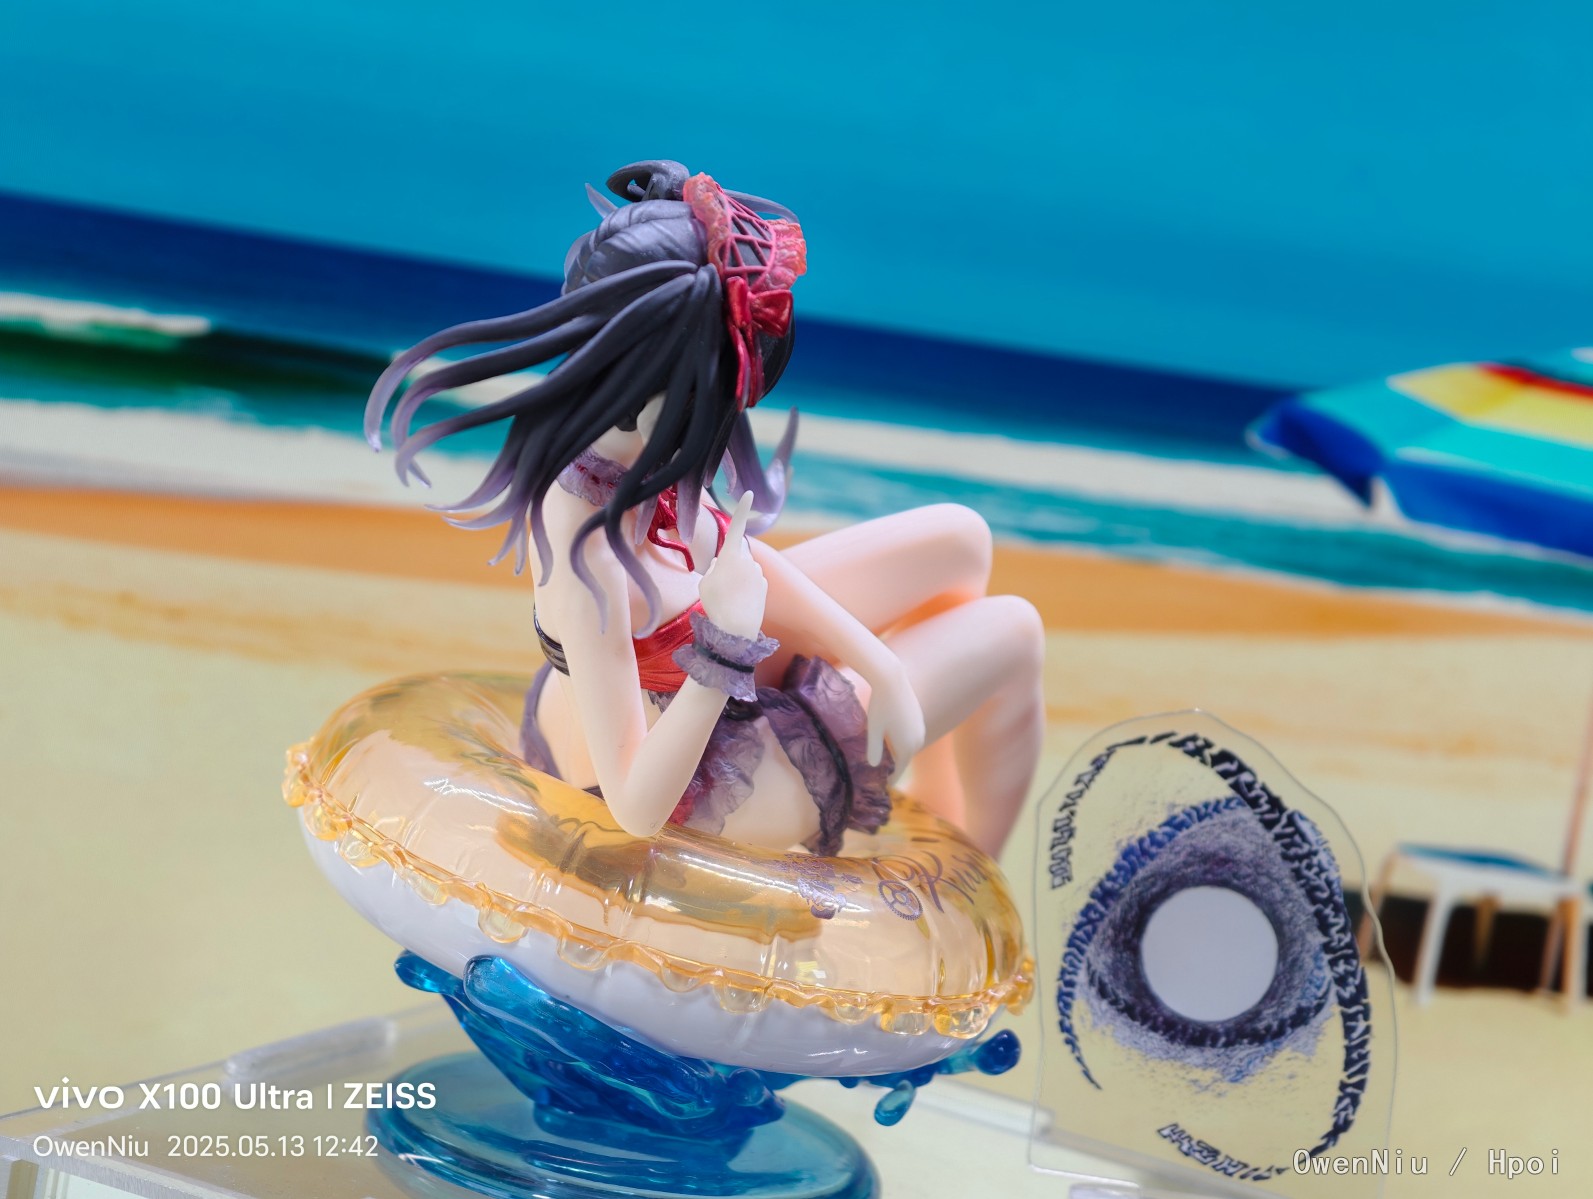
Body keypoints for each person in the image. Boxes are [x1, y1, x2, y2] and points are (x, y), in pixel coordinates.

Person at [365, 160, 1044, 857]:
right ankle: (977, 855)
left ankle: (931, 786)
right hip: (694, 782)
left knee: (962, 540)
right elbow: (635, 806)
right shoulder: (588, 557)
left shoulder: (621, 458)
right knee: (1013, 629)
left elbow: (737, 559)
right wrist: (727, 639)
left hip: (691, 656)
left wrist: (881, 665)